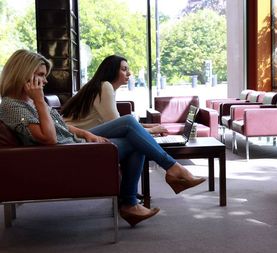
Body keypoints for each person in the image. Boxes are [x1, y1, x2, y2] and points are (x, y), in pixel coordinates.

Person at [0, 49, 205, 227]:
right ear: (23, 74)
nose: (45, 81)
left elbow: (61, 125)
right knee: (130, 130)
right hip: (65, 154)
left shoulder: (28, 101)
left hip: (74, 145)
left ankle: (137, 199)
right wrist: (39, 101)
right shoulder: (11, 105)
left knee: (131, 133)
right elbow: (50, 139)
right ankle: (165, 176)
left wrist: (86, 133)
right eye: (40, 75)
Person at [61, 55, 167, 135]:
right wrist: (152, 130)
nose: (129, 73)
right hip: (74, 137)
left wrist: (146, 126)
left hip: (79, 134)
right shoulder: (105, 86)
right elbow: (119, 124)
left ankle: (170, 163)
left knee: (136, 142)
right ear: (112, 71)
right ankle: (170, 163)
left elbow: (117, 122)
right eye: (124, 69)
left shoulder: (101, 85)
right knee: (135, 141)